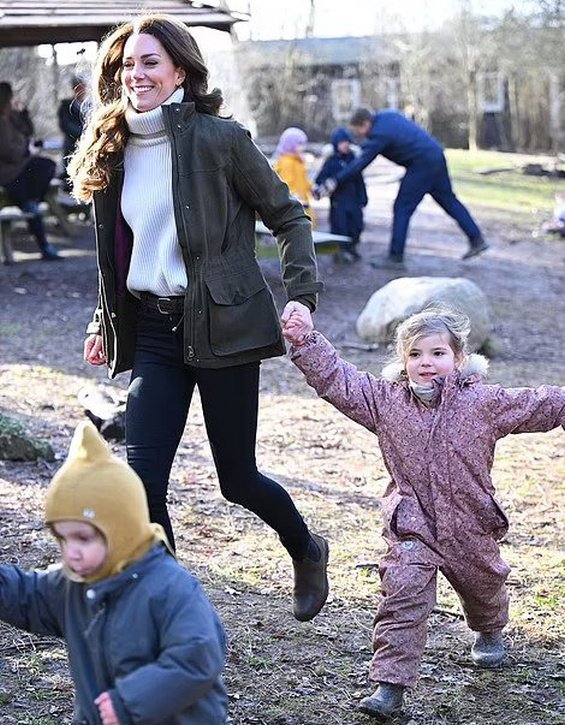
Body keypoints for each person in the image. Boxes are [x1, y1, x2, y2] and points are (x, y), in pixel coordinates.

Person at [68, 13, 329, 623]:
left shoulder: (220, 139)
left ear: (179, 70)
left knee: (237, 479)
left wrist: (301, 296)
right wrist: (99, 321)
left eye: (150, 62)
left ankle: (306, 547)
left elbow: (289, 217)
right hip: (155, 330)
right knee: (142, 480)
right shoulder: (113, 144)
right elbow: (121, 253)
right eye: (128, 63)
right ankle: (173, 608)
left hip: (225, 327)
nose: (137, 73)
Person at [282, 305, 565, 719]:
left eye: (437, 353)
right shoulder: (384, 401)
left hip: (471, 521)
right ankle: (389, 686)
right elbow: (337, 379)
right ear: (403, 361)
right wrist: (306, 340)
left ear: (459, 359)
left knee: (483, 584)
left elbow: (539, 403)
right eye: (415, 354)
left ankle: (488, 630)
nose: (426, 363)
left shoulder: (484, 402)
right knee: (402, 593)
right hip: (412, 524)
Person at [0, 421, 228, 724]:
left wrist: (130, 701)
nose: (72, 552)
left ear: (122, 530)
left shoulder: (169, 587)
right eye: (62, 538)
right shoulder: (73, 584)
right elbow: (27, 595)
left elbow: (198, 654)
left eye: (84, 538)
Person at [316, 107, 489, 267]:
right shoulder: (388, 115)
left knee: (402, 208)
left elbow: (359, 164)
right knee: (449, 201)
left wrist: (335, 181)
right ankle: (477, 239)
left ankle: (395, 257)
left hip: (421, 165)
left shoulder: (378, 135)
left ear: (365, 123)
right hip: (436, 155)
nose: (360, 136)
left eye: (358, 131)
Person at [0, 81, 61, 260]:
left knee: (45, 170)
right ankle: (45, 247)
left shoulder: (9, 116)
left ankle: (45, 246)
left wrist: (23, 113)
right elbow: (7, 151)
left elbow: (27, 131)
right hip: (8, 174)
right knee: (40, 174)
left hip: (19, 169)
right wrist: (27, 151)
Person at [314, 127, 368, 262]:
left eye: (348, 142)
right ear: (336, 143)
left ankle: (352, 247)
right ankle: (340, 251)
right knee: (340, 226)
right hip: (339, 202)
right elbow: (320, 179)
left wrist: (363, 197)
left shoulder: (354, 160)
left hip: (354, 200)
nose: (346, 145)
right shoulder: (331, 161)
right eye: (343, 142)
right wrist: (325, 186)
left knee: (356, 225)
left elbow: (360, 181)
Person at [272, 126, 315, 225]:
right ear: (290, 145)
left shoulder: (299, 162)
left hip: (303, 204)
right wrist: (295, 199)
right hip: (295, 207)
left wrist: (311, 188)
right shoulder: (287, 162)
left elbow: (304, 181)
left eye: (303, 144)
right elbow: (287, 184)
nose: (303, 147)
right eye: (299, 144)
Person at [57, 74, 88, 191]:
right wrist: (87, 135)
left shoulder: (91, 106)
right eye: (77, 87)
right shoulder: (65, 107)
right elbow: (67, 126)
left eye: (82, 87)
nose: (81, 90)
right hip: (72, 146)